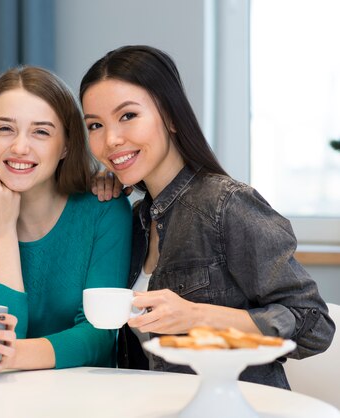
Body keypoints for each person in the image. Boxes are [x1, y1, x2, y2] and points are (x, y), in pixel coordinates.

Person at [79, 45, 335, 389]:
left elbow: (315, 325)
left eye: (128, 116)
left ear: (170, 116)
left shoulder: (226, 204)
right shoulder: (136, 220)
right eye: (95, 125)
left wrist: (198, 316)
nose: (111, 139)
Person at [0, 66, 132, 372]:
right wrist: (1, 230)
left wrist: (17, 356)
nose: (20, 147)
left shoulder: (105, 210)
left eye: (41, 131)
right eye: (5, 129)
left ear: (65, 144)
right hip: (1, 399)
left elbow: (100, 334)